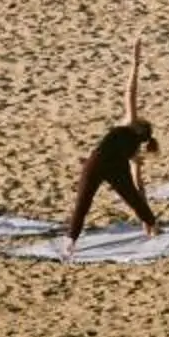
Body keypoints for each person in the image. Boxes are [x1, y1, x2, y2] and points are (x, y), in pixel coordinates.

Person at [62, 37, 160, 250]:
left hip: (98, 163)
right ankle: (153, 225)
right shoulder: (134, 150)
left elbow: (130, 92)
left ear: (138, 126)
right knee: (132, 199)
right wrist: (148, 220)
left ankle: (71, 241)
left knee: (83, 204)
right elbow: (138, 188)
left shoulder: (130, 123)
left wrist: (135, 61)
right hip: (112, 167)